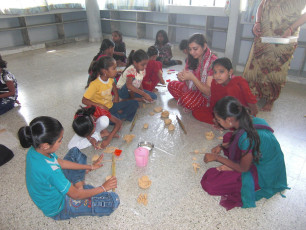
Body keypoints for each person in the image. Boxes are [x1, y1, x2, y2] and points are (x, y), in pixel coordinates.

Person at [18, 116, 119, 220]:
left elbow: (60, 162)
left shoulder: (35, 149)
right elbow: (76, 195)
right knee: (113, 200)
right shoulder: (51, 171)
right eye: (59, 141)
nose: (61, 142)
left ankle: (78, 185)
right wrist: (103, 187)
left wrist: (90, 166)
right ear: (45, 145)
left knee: (75, 151)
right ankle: (78, 186)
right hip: (60, 207)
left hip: (58, 186)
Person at [201, 96, 288, 210]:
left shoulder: (247, 139)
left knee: (210, 182)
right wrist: (222, 146)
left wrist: (217, 158)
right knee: (228, 137)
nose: (216, 122)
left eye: (218, 119)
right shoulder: (248, 119)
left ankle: (239, 173)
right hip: (264, 156)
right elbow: (239, 138)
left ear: (229, 120)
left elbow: (243, 169)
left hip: (266, 172)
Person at [243, 0, 306, 111]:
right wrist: (257, 22)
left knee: (277, 68)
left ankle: (270, 100)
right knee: (255, 65)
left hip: (286, 34)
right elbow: (262, 4)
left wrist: (291, 28)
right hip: (265, 31)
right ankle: (252, 95)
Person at [167, 33, 217, 123]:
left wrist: (192, 77)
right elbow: (186, 76)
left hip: (204, 95)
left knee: (187, 99)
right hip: (191, 89)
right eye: (190, 49)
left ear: (204, 46)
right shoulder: (191, 58)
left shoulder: (212, 61)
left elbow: (208, 92)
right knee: (171, 85)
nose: (192, 52)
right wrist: (181, 76)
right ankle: (187, 100)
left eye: (195, 49)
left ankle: (188, 100)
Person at [83, 56, 138, 121]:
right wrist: (99, 106)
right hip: (102, 111)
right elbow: (84, 100)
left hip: (111, 106)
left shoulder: (111, 79)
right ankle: (118, 117)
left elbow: (115, 91)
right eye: (114, 68)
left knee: (135, 103)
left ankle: (118, 117)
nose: (116, 70)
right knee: (108, 119)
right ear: (105, 71)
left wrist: (116, 102)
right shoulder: (95, 84)